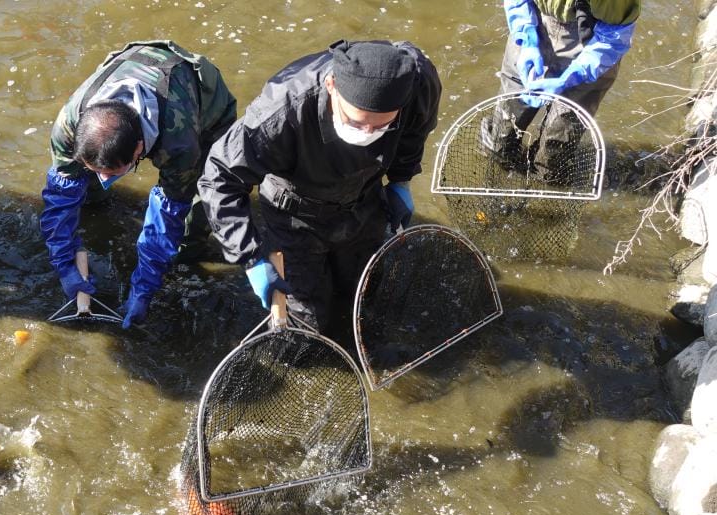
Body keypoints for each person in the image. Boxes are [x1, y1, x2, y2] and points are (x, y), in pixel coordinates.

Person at [198, 40, 441, 341]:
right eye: (356, 122)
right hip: (296, 213)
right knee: (307, 323)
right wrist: (249, 256)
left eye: (379, 127)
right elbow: (219, 178)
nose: (366, 133)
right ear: (331, 85)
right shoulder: (282, 111)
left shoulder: (416, 83)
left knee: (363, 292)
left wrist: (400, 180)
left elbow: (414, 132)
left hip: (363, 200)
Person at [40, 41, 236, 329]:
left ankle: (187, 249)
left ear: (140, 149)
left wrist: (144, 287)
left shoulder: (178, 141)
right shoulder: (69, 125)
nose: (105, 178)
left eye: (114, 171)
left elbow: (167, 216)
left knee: (189, 229)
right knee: (82, 193)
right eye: (97, 170)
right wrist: (64, 263)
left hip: (202, 108)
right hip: (129, 75)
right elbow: (59, 199)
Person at [481, 0, 639, 175]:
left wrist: (573, 75)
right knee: (499, 144)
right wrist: (526, 35)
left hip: (591, 43)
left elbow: (615, 36)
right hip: (535, 21)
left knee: (552, 162)